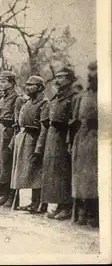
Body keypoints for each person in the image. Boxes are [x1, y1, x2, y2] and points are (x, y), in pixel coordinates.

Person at [40, 67, 78, 220]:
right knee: (53, 172)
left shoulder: (73, 96)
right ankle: (57, 205)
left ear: (69, 79)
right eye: (56, 77)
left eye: (61, 77)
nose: (57, 80)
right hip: (52, 135)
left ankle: (66, 206)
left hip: (63, 136)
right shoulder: (56, 96)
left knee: (63, 171)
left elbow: (73, 120)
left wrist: (69, 139)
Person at [0, 71, 26, 207]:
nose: (0, 84)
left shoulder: (17, 98)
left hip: (9, 131)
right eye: (0, 81)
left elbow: (19, 119)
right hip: (1, 130)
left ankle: (11, 196)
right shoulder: (4, 97)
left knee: (9, 163)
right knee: (0, 164)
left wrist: (14, 136)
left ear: (12, 83)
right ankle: (0, 192)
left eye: (4, 82)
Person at [10, 76, 49, 212]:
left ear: (39, 87)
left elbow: (44, 128)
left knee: (35, 171)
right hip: (23, 137)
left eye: (31, 85)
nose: (27, 88)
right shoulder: (27, 103)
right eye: (26, 85)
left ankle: (37, 203)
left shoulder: (44, 104)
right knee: (23, 171)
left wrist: (39, 148)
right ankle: (27, 202)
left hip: (34, 139)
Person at [71, 60, 98, 227]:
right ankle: (83, 211)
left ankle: (94, 213)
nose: (91, 74)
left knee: (94, 176)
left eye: (94, 71)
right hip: (82, 137)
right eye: (89, 71)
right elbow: (74, 120)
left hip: (99, 137)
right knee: (82, 176)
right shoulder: (83, 96)